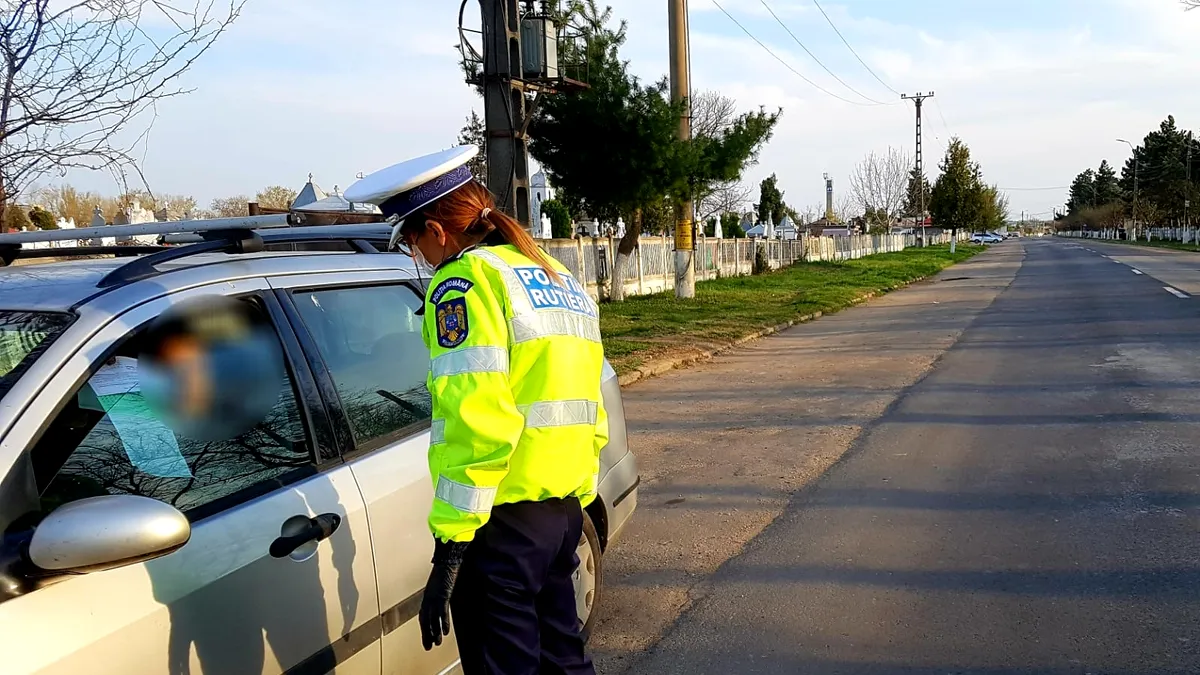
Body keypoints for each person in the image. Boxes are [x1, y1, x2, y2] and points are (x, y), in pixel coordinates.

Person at [346, 146, 606, 675]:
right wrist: (577, 495)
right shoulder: (554, 274)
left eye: (414, 243)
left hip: (501, 525)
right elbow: (588, 401)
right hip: (560, 511)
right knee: (564, 661)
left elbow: (477, 421)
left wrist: (451, 547)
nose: (419, 259)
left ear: (437, 232)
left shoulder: (463, 285)